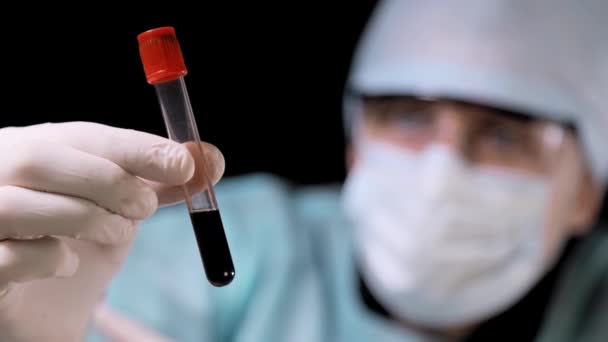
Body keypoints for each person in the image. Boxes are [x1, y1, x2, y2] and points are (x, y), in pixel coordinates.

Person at [1, 0, 608, 341]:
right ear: (355, 144)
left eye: (504, 133)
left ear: (588, 187)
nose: (440, 165)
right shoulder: (249, 244)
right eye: (404, 115)